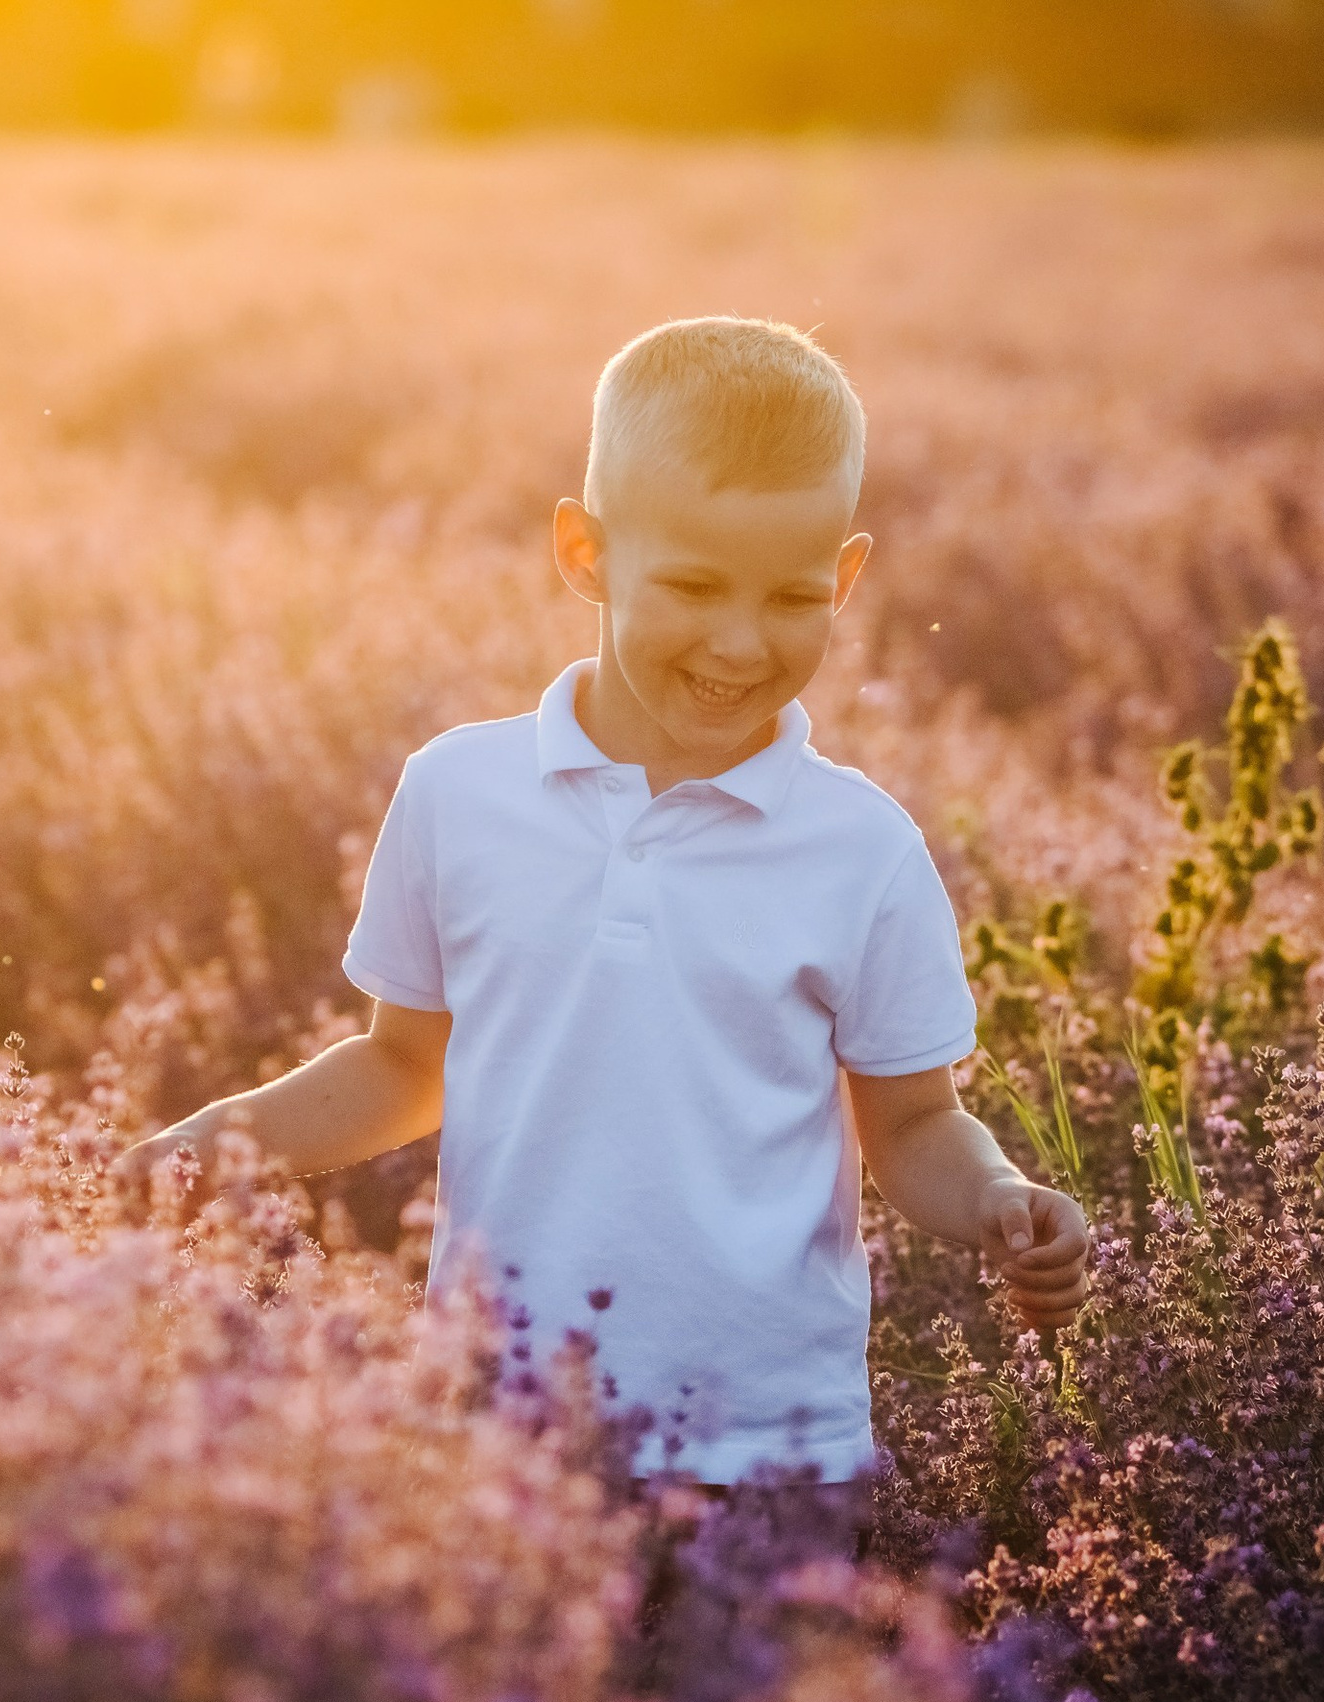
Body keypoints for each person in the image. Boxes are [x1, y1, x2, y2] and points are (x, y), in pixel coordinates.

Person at [113, 315, 1089, 1541]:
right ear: (584, 551)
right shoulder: (458, 796)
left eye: (792, 597)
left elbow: (911, 1124)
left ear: (845, 578)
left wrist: (1000, 1198)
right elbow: (407, 1067)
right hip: (499, 1427)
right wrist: (225, 1140)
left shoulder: (863, 849)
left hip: (774, 1447)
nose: (740, 642)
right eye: (689, 586)